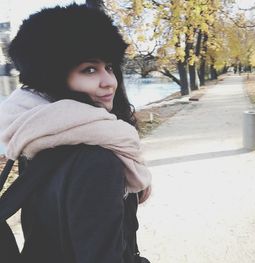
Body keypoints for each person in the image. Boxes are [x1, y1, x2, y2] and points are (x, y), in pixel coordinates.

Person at [0, 4, 151, 263]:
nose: (109, 81)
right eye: (89, 70)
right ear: (53, 77)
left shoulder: (34, 140)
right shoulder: (96, 160)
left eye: (109, 67)